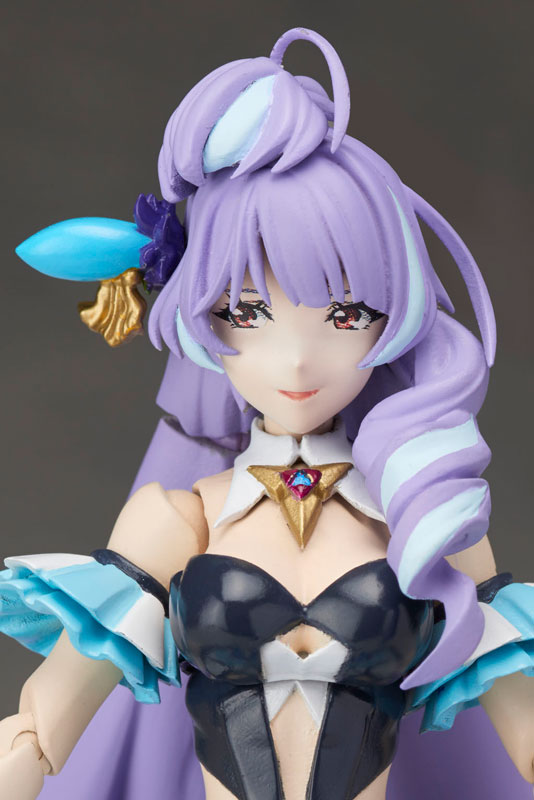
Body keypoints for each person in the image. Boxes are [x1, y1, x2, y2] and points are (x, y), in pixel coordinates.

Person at [1, 26, 534, 800]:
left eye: (346, 313)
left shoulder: (429, 520)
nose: (297, 362)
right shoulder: (178, 521)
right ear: (199, 313)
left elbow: (525, 733)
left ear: (394, 319)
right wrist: (24, 753)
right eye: (247, 312)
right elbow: (45, 724)